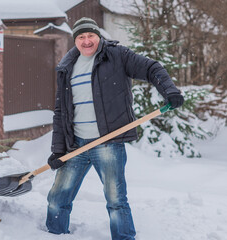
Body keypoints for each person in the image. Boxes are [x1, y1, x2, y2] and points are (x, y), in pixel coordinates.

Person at [45, 17, 184, 239]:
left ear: (98, 37)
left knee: (116, 200)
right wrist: (58, 150)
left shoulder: (117, 56)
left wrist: (170, 91)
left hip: (108, 143)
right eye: (81, 37)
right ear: (75, 41)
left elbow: (151, 67)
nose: (86, 41)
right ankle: (53, 234)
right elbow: (61, 112)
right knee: (57, 198)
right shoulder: (66, 67)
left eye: (90, 35)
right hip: (76, 145)